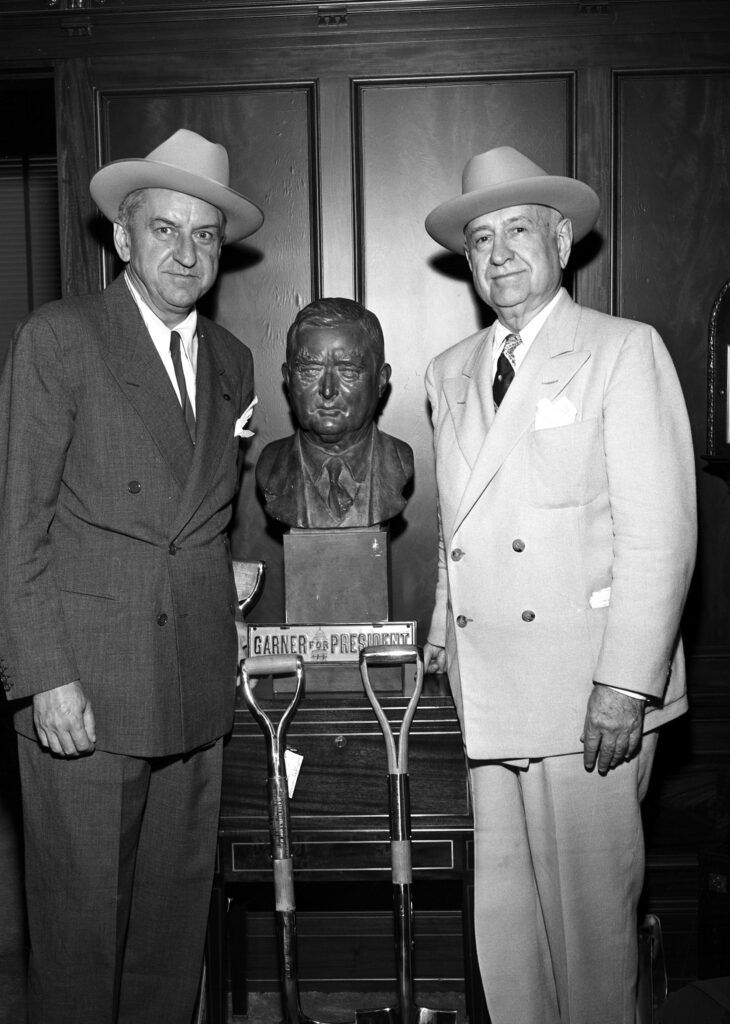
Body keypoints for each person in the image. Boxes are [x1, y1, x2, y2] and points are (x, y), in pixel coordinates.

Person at [0, 128, 263, 1024]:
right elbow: (4, 528)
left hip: (194, 691)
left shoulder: (233, 363)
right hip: (87, 692)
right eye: (165, 230)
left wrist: (235, 599)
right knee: (81, 938)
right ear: (123, 238)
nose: (187, 251)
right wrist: (45, 678)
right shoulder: (61, 340)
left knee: (171, 941)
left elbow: (215, 523)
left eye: (205, 235)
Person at [422, 146, 696, 1024]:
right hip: (488, 691)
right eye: (479, 239)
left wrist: (625, 686)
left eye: (518, 232)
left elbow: (661, 535)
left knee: (591, 944)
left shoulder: (622, 351)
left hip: (587, 695)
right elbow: (455, 532)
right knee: (505, 939)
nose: (498, 254)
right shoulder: (448, 369)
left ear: (563, 241)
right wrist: (439, 639)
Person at [256, 297, 413, 528]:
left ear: (380, 381)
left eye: (348, 371)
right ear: (288, 380)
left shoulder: (399, 462)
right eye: (310, 371)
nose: (327, 390)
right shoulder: (271, 467)